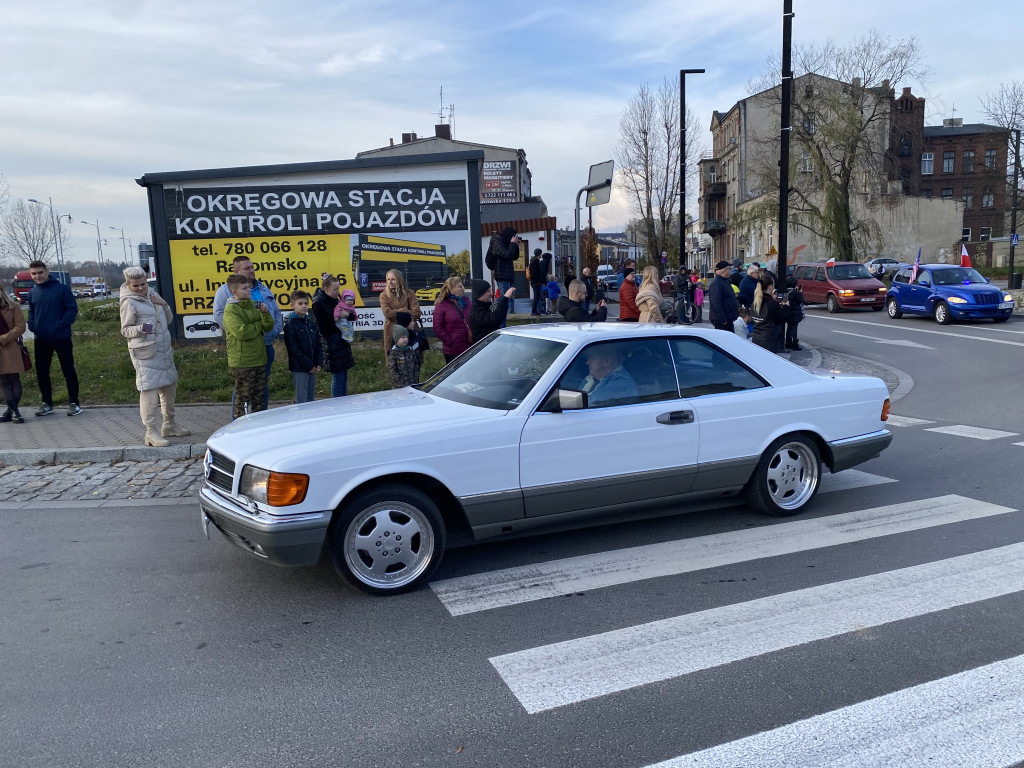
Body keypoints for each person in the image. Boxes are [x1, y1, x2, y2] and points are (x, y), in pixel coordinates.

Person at [118, 266, 190, 446]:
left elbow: (170, 319)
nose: (141, 288)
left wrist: (163, 304)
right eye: (136, 286)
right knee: (149, 392)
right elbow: (125, 330)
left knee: (169, 387)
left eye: (143, 284)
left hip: (164, 350)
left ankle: (169, 424)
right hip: (145, 352)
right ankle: (151, 431)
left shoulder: (153, 295)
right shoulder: (128, 302)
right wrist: (140, 329)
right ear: (128, 285)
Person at [212, 255, 283, 411]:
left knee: (261, 389)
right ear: (236, 271)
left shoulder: (263, 288)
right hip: (244, 352)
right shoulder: (225, 292)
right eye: (247, 268)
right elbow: (220, 316)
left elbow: (275, 312)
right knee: (243, 392)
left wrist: (275, 329)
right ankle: (239, 426)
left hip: (265, 346)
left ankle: (259, 425)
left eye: (252, 267)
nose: (252, 270)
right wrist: (246, 331)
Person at [26, 260, 82, 416]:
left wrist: (61, 325)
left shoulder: (62, 289)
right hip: (41, 338)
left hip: (61, 337)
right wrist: (32, 325)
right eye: (34, 273)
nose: (37, 276)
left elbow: (71, 309)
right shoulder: (32, 293)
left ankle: (74, 403)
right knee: (42, 372)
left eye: (40, 272)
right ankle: (47, 404)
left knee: (68, 370)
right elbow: (31, 312)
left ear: (47, 272)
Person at [222, 274, 275, 419]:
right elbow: (242, 332)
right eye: (244, 288)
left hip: (259, 358)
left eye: (249, 287)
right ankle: (239, 428)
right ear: (234, 292)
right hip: (243, 362)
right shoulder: (231, 310)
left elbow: (269, 326)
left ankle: (258, 427)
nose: (249, 290)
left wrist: (265, 313)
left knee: (259, 398)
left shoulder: (254, 305)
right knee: (243, 397)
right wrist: (259, 327)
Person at [311, 274, 355, 398]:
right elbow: (324, 327)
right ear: (326, 289)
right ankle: (337, 404)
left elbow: (350, 314)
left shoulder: (337, 300)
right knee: (338, 377)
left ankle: (343, 400)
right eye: (335, 289)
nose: (338, 292)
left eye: (339, 288)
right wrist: (339, 319)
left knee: (344, 375)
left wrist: (347, 315)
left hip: (341, 340)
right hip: (331, 343)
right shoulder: (318, 303)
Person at [283, 289, 322, 404]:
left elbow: (318, 344)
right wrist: (309, 365)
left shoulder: (310, 322)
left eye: (306, 303)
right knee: (302, 398)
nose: (304, 306)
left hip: (313, 366)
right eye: (300, 303)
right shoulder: (291, 324)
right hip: (300, 367)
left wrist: (318, 362)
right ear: (292, 305)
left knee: (311, 398)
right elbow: (294, 348)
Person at [0, 280, 28, 423]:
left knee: (13, 379)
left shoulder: (13, 306)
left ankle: (14, 412)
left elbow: (20, 326)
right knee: (2, 381)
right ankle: (13, 412)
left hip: (10, 347)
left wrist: (4, 338)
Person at [379, 268, 421, 357]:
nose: (390, 282)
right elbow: (387, 314)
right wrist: (404, 310)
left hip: (410, 330)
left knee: (413, 360)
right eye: (388, 279)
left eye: (393, 279)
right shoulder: (384, 295)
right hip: (393, 331)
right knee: (394, 362)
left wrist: (397, 313)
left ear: (399, 280)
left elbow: (417, 313)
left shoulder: (410, 293)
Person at [433, 277, 472, 364]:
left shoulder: (466, 300)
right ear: (451, 289)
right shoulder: (442, 304)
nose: (462, 288)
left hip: (469, 345)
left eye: (462, 286)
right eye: (459, 287)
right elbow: (437, 327)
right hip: (453, 350)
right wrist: (450, 341)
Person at [486, 227, 520, 316]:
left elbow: (514, 256)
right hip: (502, 275)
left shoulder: (506, 243)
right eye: (513, 236)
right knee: (503, 300)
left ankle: (501, 322)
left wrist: (515, 245)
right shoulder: (497, 241)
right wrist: (512, 243)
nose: (514, 237)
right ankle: (496, 320)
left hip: (508, 275)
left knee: (506, 301)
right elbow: (507, 255)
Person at [751, 275, 788, 353]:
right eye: (773, 285)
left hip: (756, 338)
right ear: (770, 286)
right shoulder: (771, 304)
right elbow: (782, 318)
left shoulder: (755, 302)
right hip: (769, 340)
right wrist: (786, 307)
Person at [708, 260, 740, 331]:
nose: (731, 271)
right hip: (722, 320)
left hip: (728, 318)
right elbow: (716, 302)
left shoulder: (725, 281)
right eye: (729, 269)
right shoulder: (716, 283)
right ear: (724, 270)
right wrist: (723, 320)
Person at [387, 324, 421, 389]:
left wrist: (416, 380)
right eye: (403, 337)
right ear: (397, 339)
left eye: (407, 337)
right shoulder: (394, 353)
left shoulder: (411, 351)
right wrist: (399, 381)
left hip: (412, 384)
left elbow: (416, 366)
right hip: (399, 386)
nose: (405, 339)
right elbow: (392, 369)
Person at [786, 284, 805, 351]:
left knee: (789, 328)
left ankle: (788, 343)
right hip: (795, 313)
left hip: (789, 312)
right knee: (794, 328)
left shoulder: (787, 292)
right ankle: (794, 343)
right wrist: (800, 292)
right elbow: (800, 300)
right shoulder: (794, 293)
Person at [529, 249, 545, 316]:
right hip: (536, 282)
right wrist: (539, 281)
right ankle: (534, 311)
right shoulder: (535, 262)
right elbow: (535, 273)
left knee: (537, 297)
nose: (541, 255)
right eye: (541, 253)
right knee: (536, 297)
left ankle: (536, 311)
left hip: (535, 282)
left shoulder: (533, 261)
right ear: (539, 254)